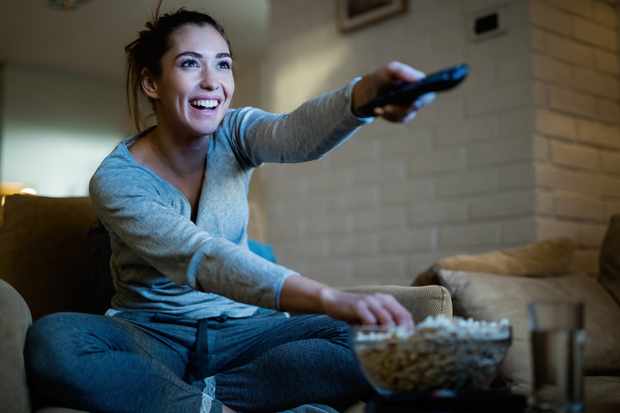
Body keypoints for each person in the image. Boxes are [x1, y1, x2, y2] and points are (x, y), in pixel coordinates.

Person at [25, 7, 435, 413]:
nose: (212, 82)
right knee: (55, 341)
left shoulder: (235, 132)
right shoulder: (117, 180)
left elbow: (293, 133)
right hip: (151, 335)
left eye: (223, 65)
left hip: (244, 332)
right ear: (152, 82)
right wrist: (327, 297)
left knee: (376, 344)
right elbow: (201, 257)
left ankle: (186, 399)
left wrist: (364, 95)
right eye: (190, 64)